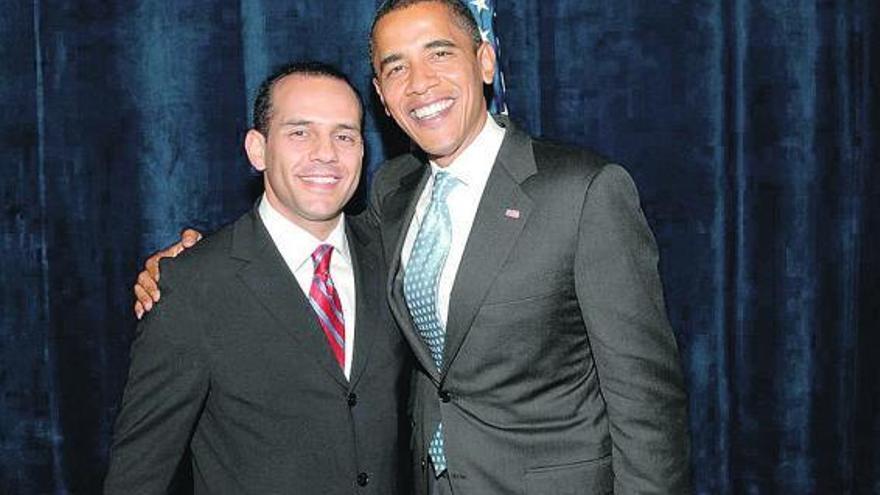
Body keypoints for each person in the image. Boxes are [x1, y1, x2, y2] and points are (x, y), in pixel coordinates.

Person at [136, 1, 693, 493]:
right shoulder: (392, 191)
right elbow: (306, 247)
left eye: (439, 53)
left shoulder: (584, 191)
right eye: (395, 67)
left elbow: (647, 405)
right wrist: (190, 262)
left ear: (485, 61)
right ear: (380, 93)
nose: (419, 83)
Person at [107, 61, 410, 494]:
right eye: (300, 132)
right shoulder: (192, 286)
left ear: (363, 150)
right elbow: (139, 473)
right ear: (257, 149)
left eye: (344, 135)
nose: (326, 153)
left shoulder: (393, 253)